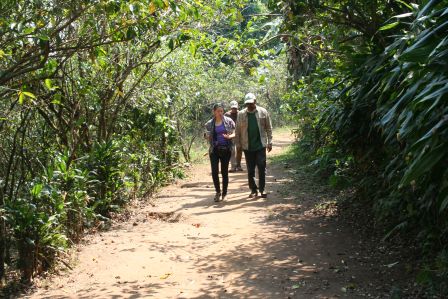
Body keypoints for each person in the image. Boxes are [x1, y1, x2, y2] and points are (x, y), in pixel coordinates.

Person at [234, 93, 273, 198]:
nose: (249, 105)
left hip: (260, 145)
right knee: (250, 169)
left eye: (251, 103)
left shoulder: (263, 112)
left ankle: (262, 188)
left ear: (255, 101)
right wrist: (238, 144)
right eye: (247, 103)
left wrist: (270, 142)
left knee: (261, 167)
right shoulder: (241, 114)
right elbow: (237, 130)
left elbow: (269, 128)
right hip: (247, 146)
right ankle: (253, 190)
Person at [204, 103, 235, 202]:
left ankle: (225, 194)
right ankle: (218, 192)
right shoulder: (209, 124)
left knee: (224, 172)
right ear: (214, 112)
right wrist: (207, 136)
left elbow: (235, 132)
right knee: (214, 172)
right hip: (214, 150)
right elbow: (205, 135)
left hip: (226, 149)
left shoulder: (229, 121)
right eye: (218, 111)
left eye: (222, 111)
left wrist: (230, 136)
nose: (220, 113)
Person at [225, 100, 243, 172]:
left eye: (235, 108)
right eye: (233, 108)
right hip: (230, 134)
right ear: (230, 108)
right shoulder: (227, 114)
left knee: (239, 149)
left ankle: (238, 165)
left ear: (237, 107)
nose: (234, 109)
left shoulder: (240, 113)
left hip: (239, 134)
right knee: (232, 150)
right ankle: (233, 166)